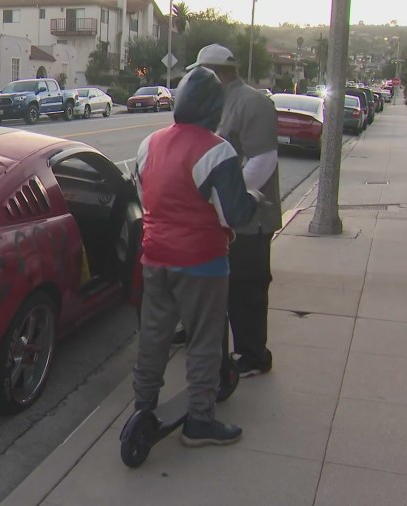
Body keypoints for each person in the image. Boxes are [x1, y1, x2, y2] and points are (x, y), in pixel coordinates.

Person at [131, 66, 262, 447]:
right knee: (204, 341)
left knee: (154, 336)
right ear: (214, 108)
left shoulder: (149, 143)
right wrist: (253, 198)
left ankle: (144, 406)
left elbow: (146, 197)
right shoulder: (217, 150)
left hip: (154, 256)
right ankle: (200, 420)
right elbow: (236, 214)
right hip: (202, 262)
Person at [187, 44, 281, 378]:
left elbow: (263, 160)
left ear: (218, 72)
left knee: (248, 287)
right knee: (219, 285)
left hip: (249, 219)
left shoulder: (253, 103)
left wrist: (229, 198)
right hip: (221, 218)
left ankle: (255, 354)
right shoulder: (219, 103)